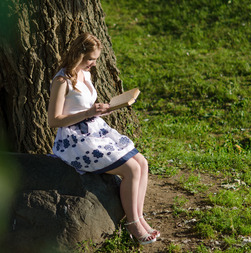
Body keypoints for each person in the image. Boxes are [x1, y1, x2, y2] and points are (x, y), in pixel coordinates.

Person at [47, 33, 160, 245]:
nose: (94, 63)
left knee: (142, 163)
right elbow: (53, 121)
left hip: (94, 130)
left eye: (96, 59)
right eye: (91, 59)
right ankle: (133, 224)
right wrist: (88, 113)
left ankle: (139, 216)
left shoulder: (85, 74)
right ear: (78, 55)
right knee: (131, 169)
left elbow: (85, 108)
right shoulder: (62, 80)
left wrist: (102, 110)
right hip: (74, 140)